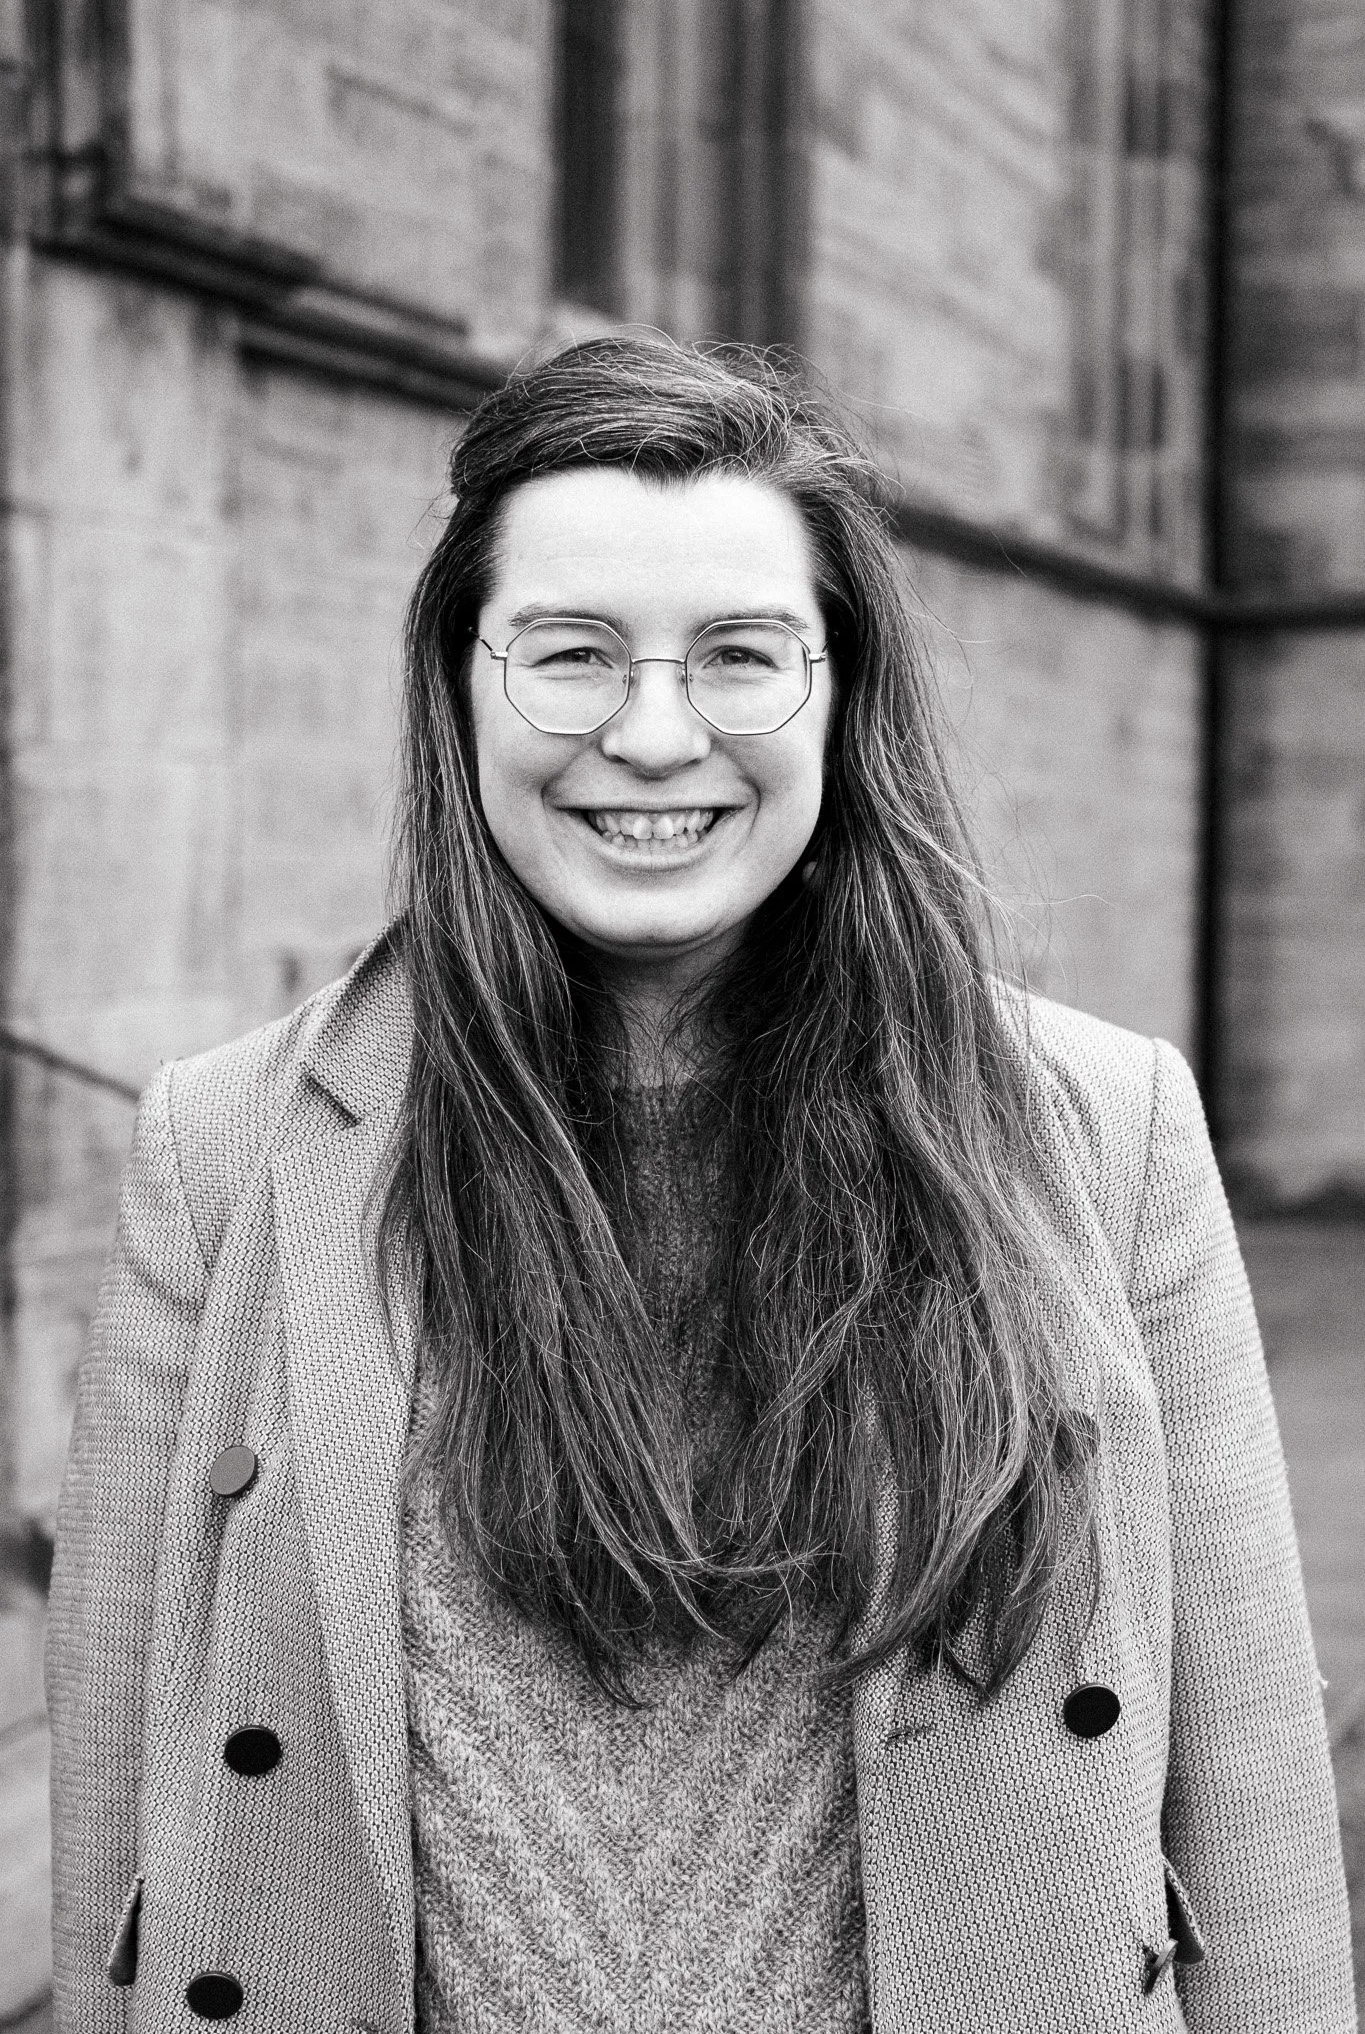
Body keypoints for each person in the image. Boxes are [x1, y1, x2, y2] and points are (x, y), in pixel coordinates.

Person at [47, 338, 1355, 2034]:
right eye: (572, 655)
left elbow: (1248, 1778)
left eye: (742, 656)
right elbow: (117, 1768)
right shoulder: (225, 1148)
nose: (655, 736)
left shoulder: (1102, 1133)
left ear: (839, 691)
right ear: (458, 686)